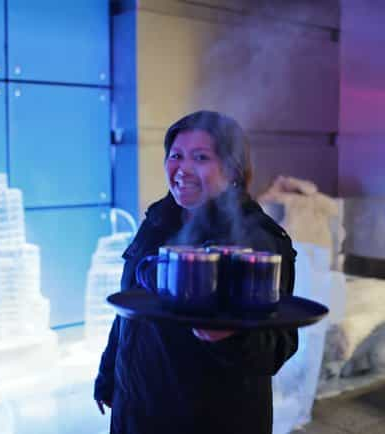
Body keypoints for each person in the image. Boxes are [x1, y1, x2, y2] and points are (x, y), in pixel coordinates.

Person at [93, 110, 298, 434]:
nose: (183, 168)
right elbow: (129, 314)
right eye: (176, 155)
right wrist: (109, 376)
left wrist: (232, 337)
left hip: (210, 419)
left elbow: (278, 346)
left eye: (200, 157)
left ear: (232, 169)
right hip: (138, 411)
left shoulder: (257, 241)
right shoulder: (158, 221)